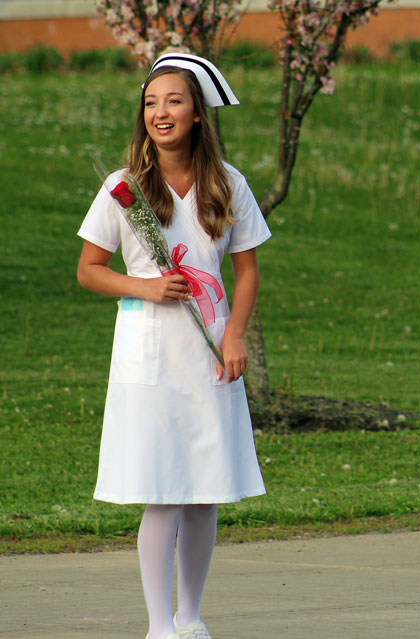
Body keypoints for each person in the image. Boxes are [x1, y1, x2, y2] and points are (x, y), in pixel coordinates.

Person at [77, 52, 269, 639]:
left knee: (204, 492)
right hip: (149, 355)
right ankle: (160, 626)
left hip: (210, 355)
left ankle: (192, 618)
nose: (160, 112)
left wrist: (234, 335)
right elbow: (89, 269)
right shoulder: (125, 189)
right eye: (151, 102)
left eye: (174, 101)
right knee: (162, 491)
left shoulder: (228, 183)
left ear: (197, 116)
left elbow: (247, 272)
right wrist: (145, 285)